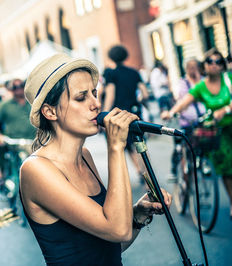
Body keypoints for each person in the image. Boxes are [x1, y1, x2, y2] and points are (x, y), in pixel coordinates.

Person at [20, 53, 172, 265]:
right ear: (50, 111)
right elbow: (117, 230)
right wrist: (115, 147)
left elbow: (108, 248)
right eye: (81, 97)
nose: (96, 104)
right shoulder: (36, 169)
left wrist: (136, 216)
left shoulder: (85, 157)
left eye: (94, 93)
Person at [162, 49, 232, 218]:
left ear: (222, 65)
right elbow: (185, 101)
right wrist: (170, 113)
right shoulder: (200, 86)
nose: (214, 64)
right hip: (217, 132)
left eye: (218, 61)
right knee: (226, 168)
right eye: (210, 61)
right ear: (204, 66)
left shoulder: (228, 79)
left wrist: (225, 109)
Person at [102, 45, 149, 184]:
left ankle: (141, 172)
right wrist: (138, 100)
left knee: (127, 145)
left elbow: (110, 94)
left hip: (120, 115)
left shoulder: (111, 73)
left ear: (111, 57)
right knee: (140, 143)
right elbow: (145, 94)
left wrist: (105, 114)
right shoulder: (134, 72)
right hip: (135, 113)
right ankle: (146, 170)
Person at [170, 58, 205, 177]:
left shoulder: (204, 80)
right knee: (183, 144)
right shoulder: (183, 82)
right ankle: (178, 169)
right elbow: (184, 99)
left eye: (195, 66)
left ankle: (202, 161)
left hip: (203, 118)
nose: (193, 69)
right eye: (190, 67)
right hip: (188, 120)